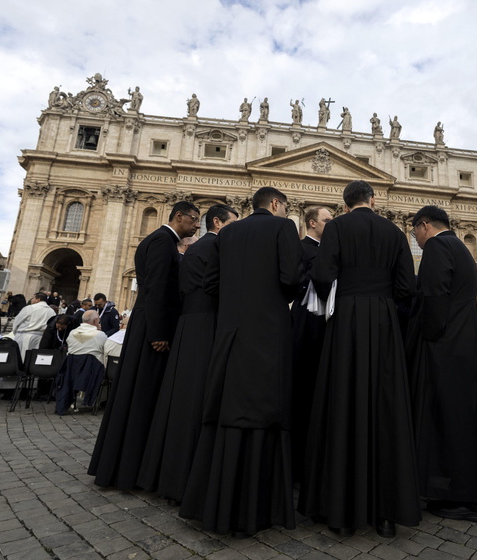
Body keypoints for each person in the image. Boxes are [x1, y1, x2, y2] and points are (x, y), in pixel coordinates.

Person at [299, 180, 420, 538]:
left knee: (343, 404)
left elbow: (321, 275)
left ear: (346, 203)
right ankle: (385, 515)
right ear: (373, 199)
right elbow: (407, 288)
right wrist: (387, 310)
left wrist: (338, 299)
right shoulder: (394, 231)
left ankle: (340, 513)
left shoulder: (336, 227)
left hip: (347, 319)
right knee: (386, 409)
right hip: (383, 321)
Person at [180, 187, 303, 537]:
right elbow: (292, 277)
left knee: (226, 410)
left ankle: (216, 500)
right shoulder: (284, 228)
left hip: (230, 334)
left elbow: (211, 283)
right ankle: (260, 504)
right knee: (266, 411)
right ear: (277, 204)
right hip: (269, 333)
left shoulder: (228, 232)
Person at [89, 200, 200, 489]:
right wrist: (159, 333)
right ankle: (131, 469)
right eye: (193, 219)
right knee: (142, 393)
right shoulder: (164, 242)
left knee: (136, 392)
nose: (196, 225)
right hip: (153, 328)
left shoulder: (159, 241)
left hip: (146, 324)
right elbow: (158, 289)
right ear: (179, 216)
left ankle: (125, 465)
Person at [406, 205, 477, 523]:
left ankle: (465, 498)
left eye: (415, 233)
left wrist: (423, 337)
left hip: (446, 344)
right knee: (467, 417)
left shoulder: (437, 246)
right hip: (466, 340)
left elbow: (433, 296)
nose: (416, 240)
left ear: (425, 226)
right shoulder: (459, 246)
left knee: (451, 419)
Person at [138, 203, 238, 502]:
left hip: (186, 328)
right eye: (234, 223)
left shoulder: (192, 248)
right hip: (207, 327)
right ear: (218, 223)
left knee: (179, 401)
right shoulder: (218, 248)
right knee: (198, 400)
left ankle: (166, 473)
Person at [290, 206, 333, 484]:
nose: (332, 224)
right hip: (308, 324)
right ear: (312, 223)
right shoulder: (303, 249)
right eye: (328, 220)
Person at [11, 292, 57, 359]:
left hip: (25, 336)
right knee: (34, 359)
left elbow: (17, 321)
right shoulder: (51, 311)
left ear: (38, 299)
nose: (31, 300)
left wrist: (16, 333)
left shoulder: (30, 308)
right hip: (41, 338)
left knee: (21, 358)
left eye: (33, 298)